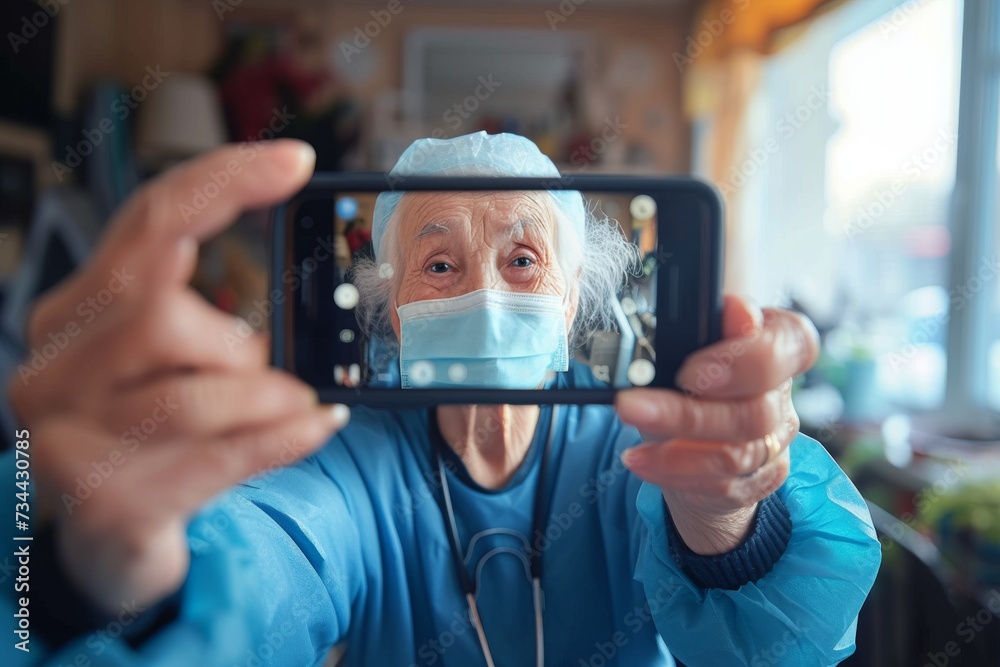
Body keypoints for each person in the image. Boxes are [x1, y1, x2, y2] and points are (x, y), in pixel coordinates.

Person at [3, 133, 880, 666]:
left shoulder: (641, 445)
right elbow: (263, 564)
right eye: (439, 263)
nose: (486, 290)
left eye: (523, 258)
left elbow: (773, 650)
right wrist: (118, 568)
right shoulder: (341, 453)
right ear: (393, 306)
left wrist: (727, 521)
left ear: (572, 299)